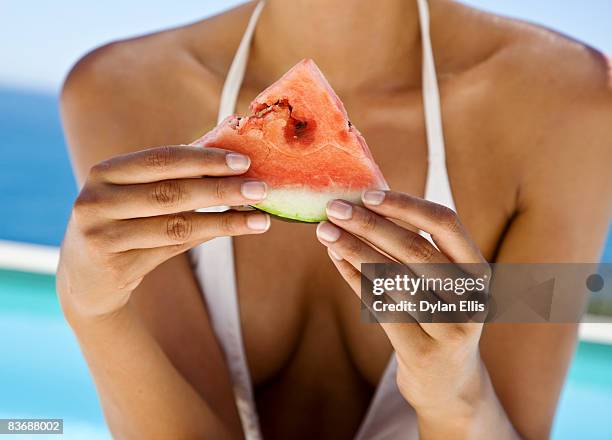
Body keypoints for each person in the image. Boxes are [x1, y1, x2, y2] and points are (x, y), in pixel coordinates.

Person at [57, 0, 612, 438]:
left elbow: (518, 428)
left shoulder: (573, 106)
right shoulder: (115, 92)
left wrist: (455, 394)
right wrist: (92, 312)